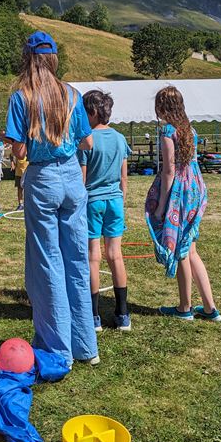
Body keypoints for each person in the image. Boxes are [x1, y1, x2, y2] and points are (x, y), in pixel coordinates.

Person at [5, 31, 99, 367]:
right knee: (76, 259)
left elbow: (18, 149)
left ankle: (57, 348)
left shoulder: (22, 97)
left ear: (28, 58)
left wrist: (34, 143)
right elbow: (87, 142)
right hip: (73, 177)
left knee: (47, 262)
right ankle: (86, 346)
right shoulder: (72, 94)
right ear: (53, 58)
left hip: (43, 177)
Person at [145, 86, 221, 322]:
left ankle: (185, 308)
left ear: (161, 107)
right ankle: (210, 308)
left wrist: (160, 206)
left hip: (179, 191)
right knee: (191, 248)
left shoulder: (168, 131)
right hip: (195, 188)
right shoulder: (191, 129)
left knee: (181, 250)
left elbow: (169, 171)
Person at [78, 90, 132, 332]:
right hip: (115, 202)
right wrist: (121, 199)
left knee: (93, 257)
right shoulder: (120, 139)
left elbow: (82, 180)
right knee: (115, 256)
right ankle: (123, 314)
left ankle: (93, 317)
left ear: (91, 112)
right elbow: (123, 177)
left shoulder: (86, 140)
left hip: (92, 202)